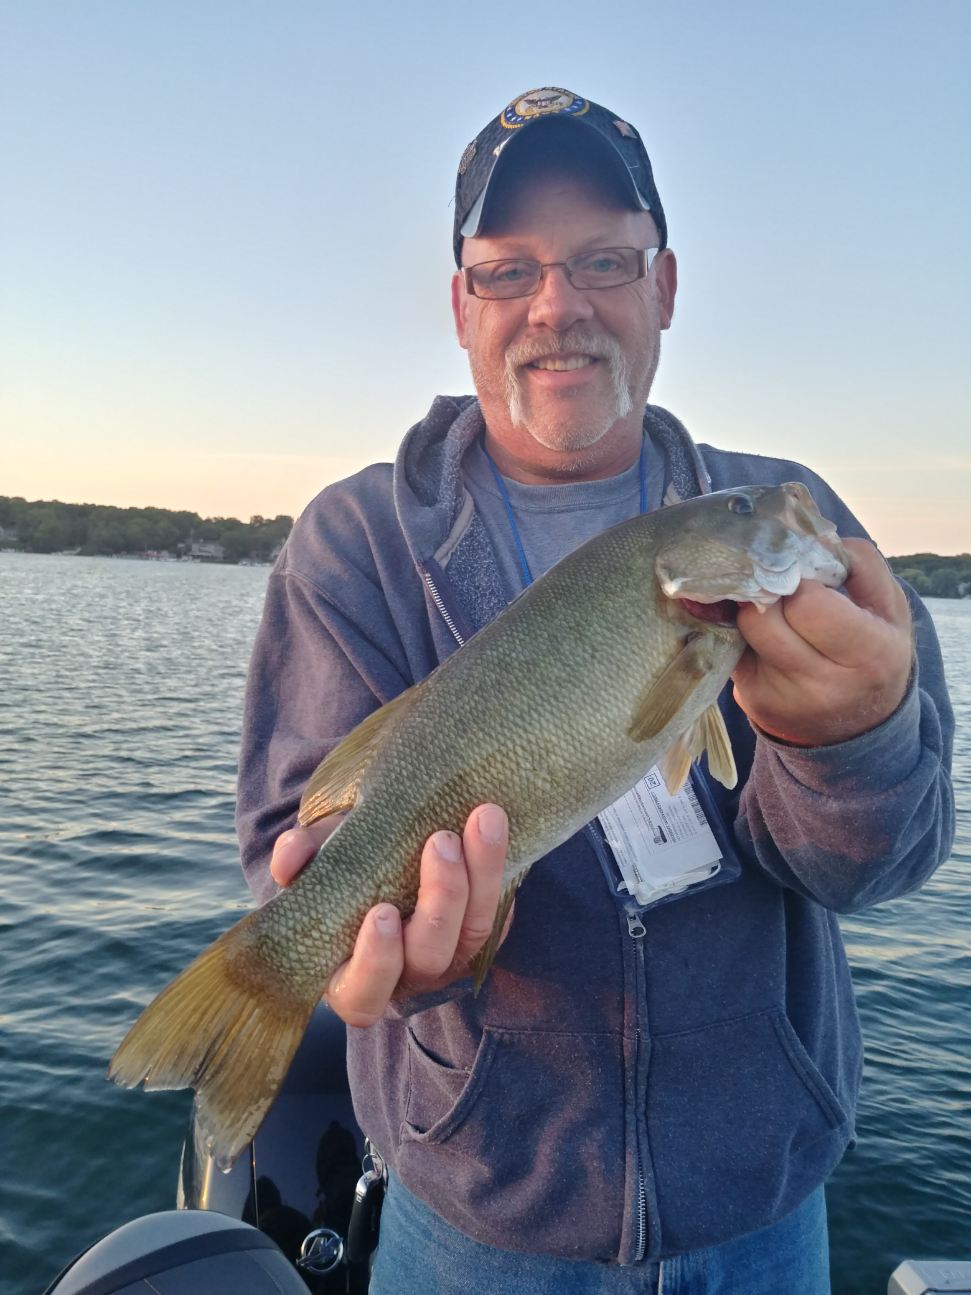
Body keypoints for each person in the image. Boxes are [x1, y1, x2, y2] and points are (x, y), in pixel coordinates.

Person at [236, 88, 955, 1294]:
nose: (555, 306)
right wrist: (390, 952)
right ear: (461, 304)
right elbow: (290, 842)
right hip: (478, 1215)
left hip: (761, 1207)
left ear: (664, 287)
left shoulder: (785, 512)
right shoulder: (356, 540)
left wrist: (854, 745)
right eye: (507, 269)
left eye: (602, 262)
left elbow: (874, 867)